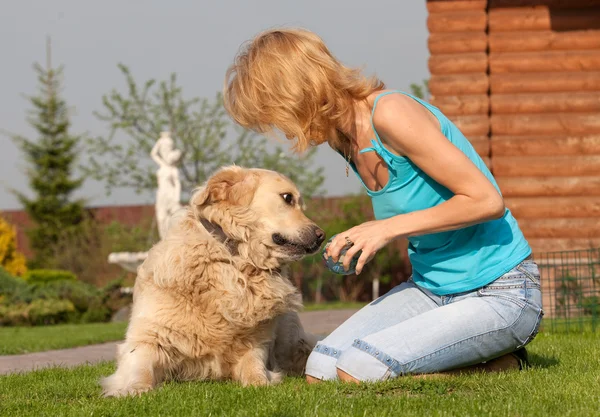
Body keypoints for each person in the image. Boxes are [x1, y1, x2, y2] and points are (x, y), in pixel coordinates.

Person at [222, 28, 544, 383]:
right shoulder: (344, 141)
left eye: (278, 115)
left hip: (499, 291)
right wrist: (358, 242)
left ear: (300, 92)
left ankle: (505, 363)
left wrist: (385, 228)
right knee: (320, 369)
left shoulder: (390, 114)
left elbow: (487, 200)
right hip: (431, 290)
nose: (283, 131)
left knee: (358, 370)